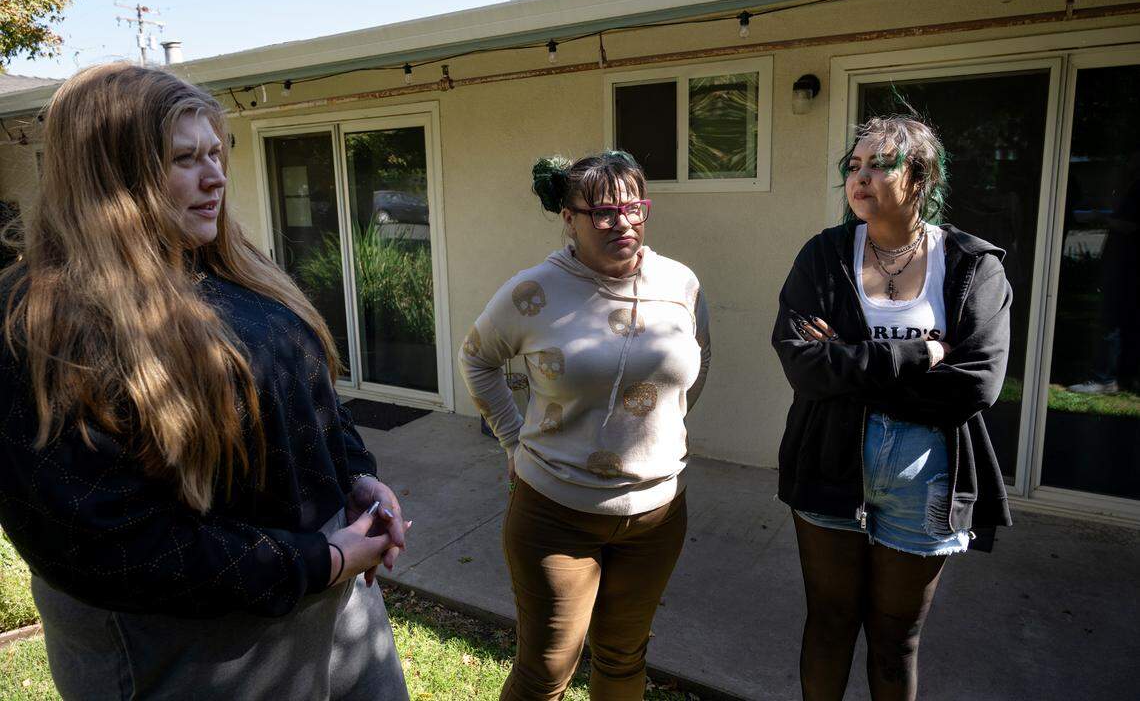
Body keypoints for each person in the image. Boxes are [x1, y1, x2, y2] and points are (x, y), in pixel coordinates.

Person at [0, 64, 411, 700]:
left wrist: (353, 475)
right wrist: (319, 562)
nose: (215, 176)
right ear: (112, 177)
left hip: (330, 598)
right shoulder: (42, 322)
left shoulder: (233, 271)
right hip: (197, 647)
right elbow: (108, 544)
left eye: (216, 153)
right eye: (183, 158)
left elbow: (311, 401)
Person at [771, 116, 1013, 701]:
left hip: (925, 470)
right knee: (828, 625)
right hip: (828, 458)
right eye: (854, 166)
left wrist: (849, 365)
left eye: (880, 164)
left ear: (920, 176)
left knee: (896, 638)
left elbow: (975, 383)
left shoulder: (972, 265)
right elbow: (801, 363)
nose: (861, 178)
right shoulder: (824, 254)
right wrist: (921, 353)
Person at [458, 151, 711, 700]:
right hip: (556, 515)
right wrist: (510, 435)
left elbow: (699, 359)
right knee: (547, 670)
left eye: (634, 207)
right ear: (568, 218)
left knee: (624, 659)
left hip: (657, 516)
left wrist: (661, 429)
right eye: (602, 212)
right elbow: (476, 358)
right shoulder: (535, 291)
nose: (623, 222)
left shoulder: (680, 283)